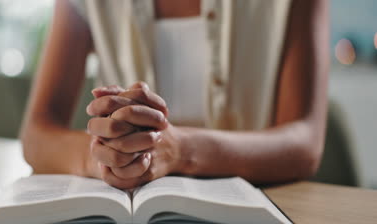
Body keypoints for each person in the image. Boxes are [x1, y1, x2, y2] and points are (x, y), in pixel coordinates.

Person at [20, 0, 329, 189]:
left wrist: (180, 150)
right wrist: (105, 157)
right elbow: (36, 134)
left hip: (261, 219)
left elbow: (305, 144)